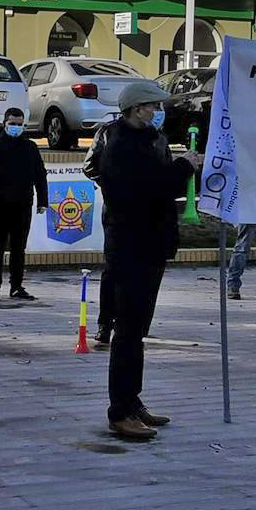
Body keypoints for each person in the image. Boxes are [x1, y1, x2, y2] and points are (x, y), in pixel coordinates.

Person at [93, 82, 194, 440]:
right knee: (128, 331)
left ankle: (132, 401)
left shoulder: (147, 140)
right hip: (131, 248)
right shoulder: (120, 147)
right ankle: (120, 410)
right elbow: (150, 189)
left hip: (150, 246)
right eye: (153, 106)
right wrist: (183, 168)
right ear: (137, 109)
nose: (158, 112)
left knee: (137, 331)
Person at [0, 107, 47, 303]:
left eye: (19, 124)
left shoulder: (30, 147)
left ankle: (16, 286)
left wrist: (43, 201)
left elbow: (40, 175)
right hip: (0, 206)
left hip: (23, 203)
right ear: (4, 124)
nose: (16, 127)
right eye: (12, 124)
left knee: (19, 248)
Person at [84, 113, 122, 347]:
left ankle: (131, 322)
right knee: (113, 269)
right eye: (150, 106)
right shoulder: (108, 132)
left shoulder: (156, 137)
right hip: (116, 213)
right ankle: (105, 323)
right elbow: (90, 166)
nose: (155, 112)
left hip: (146, 215)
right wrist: (110, 185)